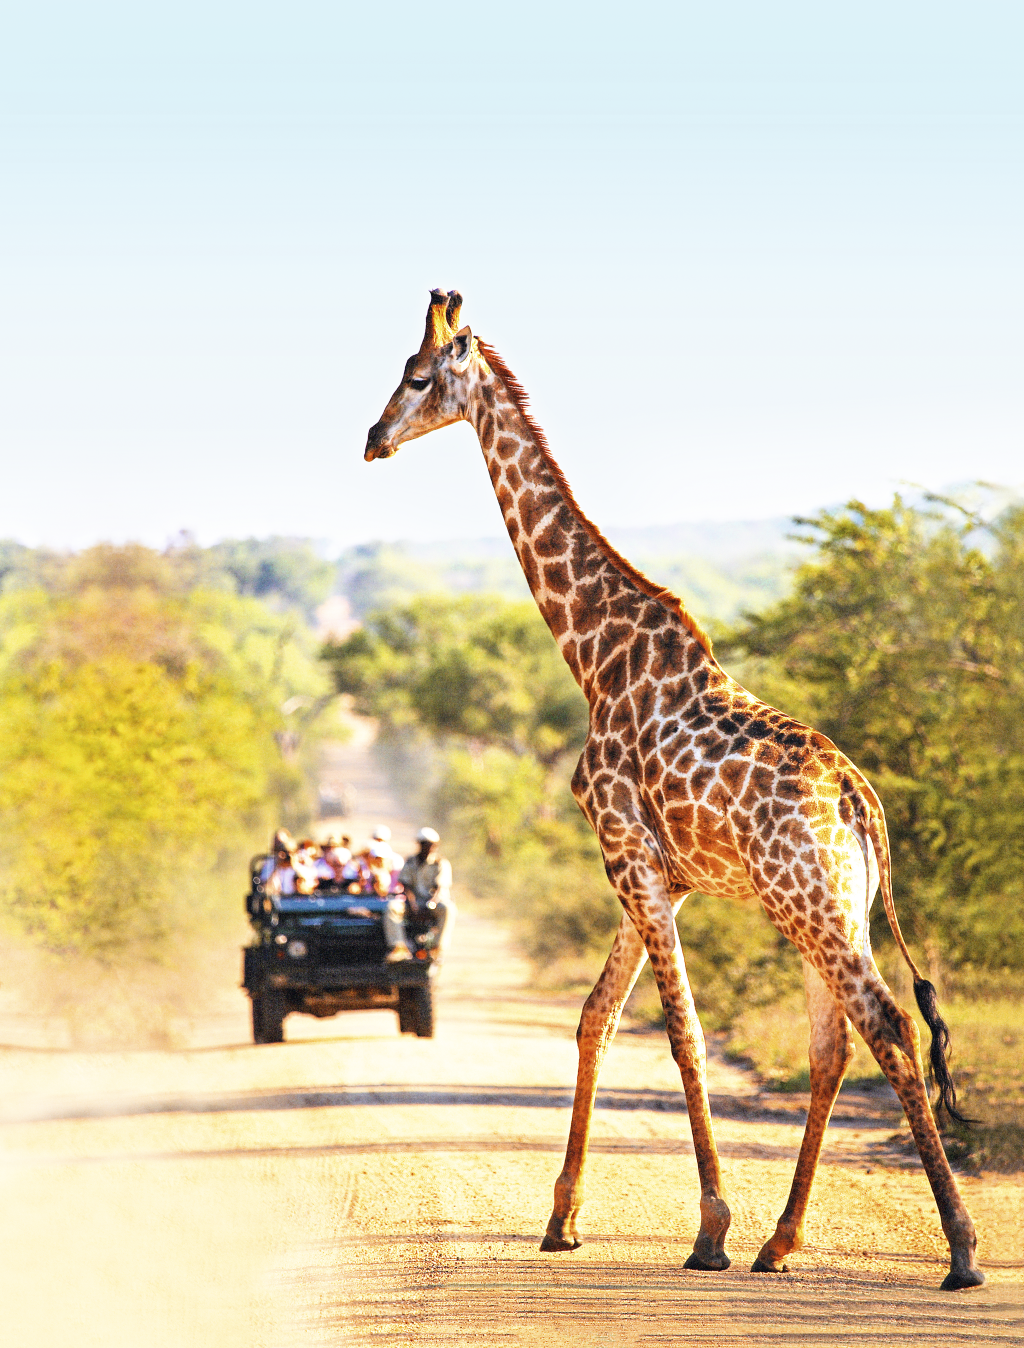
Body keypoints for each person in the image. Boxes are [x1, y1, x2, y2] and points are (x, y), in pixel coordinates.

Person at [396, 827, 456, 957]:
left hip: (433, 902)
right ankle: (398, 946)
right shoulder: (411, 861)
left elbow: (440, 887)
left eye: (431, 845)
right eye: (425, 844)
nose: (428, 848)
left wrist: (431, 904)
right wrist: (412, 903)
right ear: (420, 845)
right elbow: (406, 885)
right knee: (391, 908)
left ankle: (438, 946)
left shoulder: (440, 863)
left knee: (448, 909)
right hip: (414, 901)